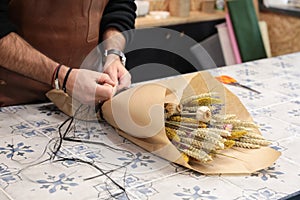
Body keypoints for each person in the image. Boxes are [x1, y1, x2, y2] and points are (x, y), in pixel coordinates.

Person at [0, 0, 137, 107]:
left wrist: (113, 55)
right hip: (13, 99)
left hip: (84, 97)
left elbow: (119, 7)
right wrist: (62, 77)